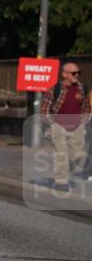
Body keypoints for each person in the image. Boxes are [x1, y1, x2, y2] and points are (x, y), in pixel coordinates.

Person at [40, 61, 89, 192]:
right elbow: (45, 108)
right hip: (59, 126)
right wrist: (50, 124)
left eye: (78, 72)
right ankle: (61, 181)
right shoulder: (55, 89)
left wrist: (84, 121)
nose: (77, 75)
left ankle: (67, 168)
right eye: (74, 73)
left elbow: (85, 106)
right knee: (61, 154)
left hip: (77, 126)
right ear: (64, 74)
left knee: (77, 155)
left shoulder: (82, 88)